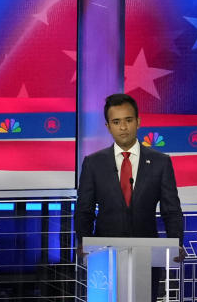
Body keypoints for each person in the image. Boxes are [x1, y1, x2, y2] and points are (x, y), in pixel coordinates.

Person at [74, 93, 185, 251]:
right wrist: (84, 244)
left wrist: (176, 244)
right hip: (104, 254)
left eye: (128, 120)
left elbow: (171, 211)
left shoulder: (160, 162)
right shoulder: (93, 163)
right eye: (116, 122)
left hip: (148, 253)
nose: (123, 127)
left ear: (138, 122)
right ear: (108, 126)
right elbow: (84, 211)